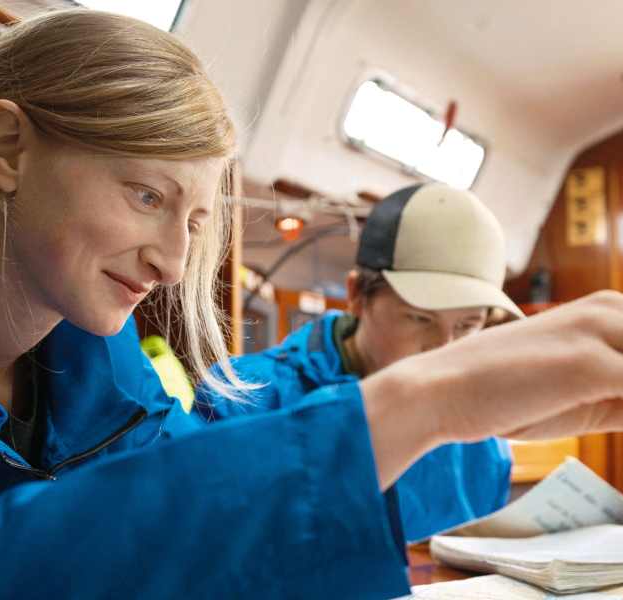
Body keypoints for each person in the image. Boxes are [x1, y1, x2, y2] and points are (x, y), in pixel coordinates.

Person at [0, 9, 623, 599]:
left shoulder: (104, 374)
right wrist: (431, 401)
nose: (171, 263)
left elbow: (203, 503)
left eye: (195, 222)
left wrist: (475, 415)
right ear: (7, 148)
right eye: (144, 194)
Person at [197, 182, 521, 542]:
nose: (443, 350)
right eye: (420, 318)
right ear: (356, 295)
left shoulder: (483, 442)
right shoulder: (241, 396)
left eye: (466, 325)